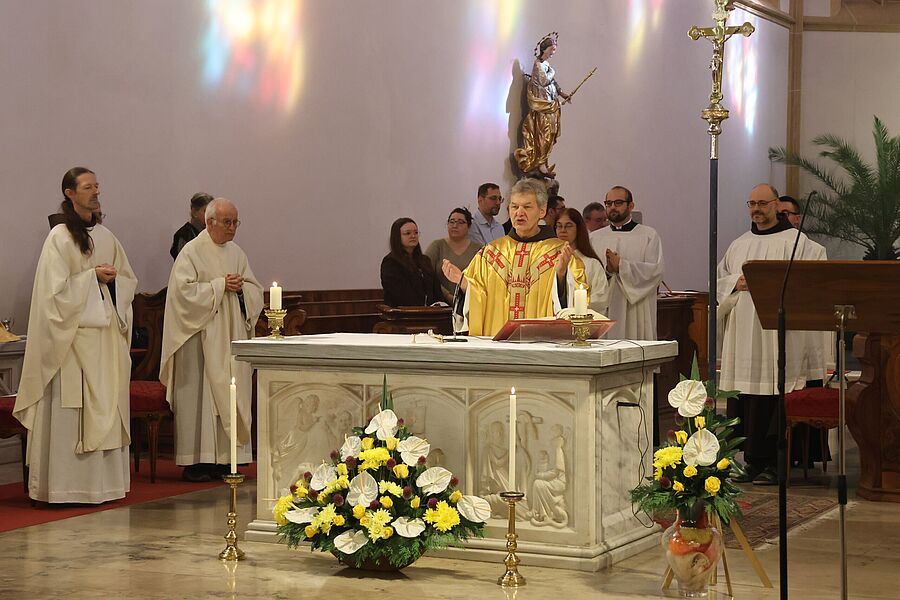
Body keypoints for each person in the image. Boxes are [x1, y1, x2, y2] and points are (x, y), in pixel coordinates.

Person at [14, 167, 137, 503]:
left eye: (97, 185)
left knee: (107, 407)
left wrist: (114, 283)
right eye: (87, 187)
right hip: (72, 342)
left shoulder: (108, 236)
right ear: (69, 193)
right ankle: (66, 487)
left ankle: (103, 486)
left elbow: (128, 281)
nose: (95, 191)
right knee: (72, 410)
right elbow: (52, 295)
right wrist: (91, 278)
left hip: (104, 340)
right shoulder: (59, 238)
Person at [717, 184, 825, 484]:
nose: (756, 209)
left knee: (776, 394)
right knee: (750, 397)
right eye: (751, 203)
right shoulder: (738, 244)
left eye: (762, 203)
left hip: (780, 334)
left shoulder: (798, 243)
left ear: (777, 205)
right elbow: (720, 279)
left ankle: (778, 463)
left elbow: (814, 282)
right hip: (745, 331)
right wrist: (733, 284)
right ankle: (753, 461)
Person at [160, 198, 264, 482]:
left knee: (231, 394)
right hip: (200, 340)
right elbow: (181, 294)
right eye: (227, 222)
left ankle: (228, 458)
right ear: (209, 223)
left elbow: (255, 289)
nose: (233, 228)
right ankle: (198, 462)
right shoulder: (192, 252)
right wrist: (220, 286)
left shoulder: (237, 253)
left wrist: (242, 291)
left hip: (230, 337)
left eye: (235, 222)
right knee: (201, 398)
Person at [442, 178, 588, 336]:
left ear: (542, 210)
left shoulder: (559, 252)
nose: (519, 213)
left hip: (541, 348)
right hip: (499, 347)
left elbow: (576, 302)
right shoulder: (490, 253)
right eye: (514, 206)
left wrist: (561, 276)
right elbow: (478, 295)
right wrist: (464, 283)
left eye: (527, 207)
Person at [589, 186, 663, 340]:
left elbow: (655, 271)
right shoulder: (595, 238)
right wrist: (609, 271)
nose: (612, 207)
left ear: (631, 206)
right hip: (606, 308)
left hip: (636, 309)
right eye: (608, 204)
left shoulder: (648, 235)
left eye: (618, 203)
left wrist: (621, 266)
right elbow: (588, 273)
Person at [514, 32, 569, 176]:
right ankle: (540, 163)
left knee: (550, 134)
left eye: (554, 50)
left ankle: (543, 162)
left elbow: (553, 82)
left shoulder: (546, 65)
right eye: (552, 50)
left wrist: (562, 93)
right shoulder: (538, 65)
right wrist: (552, 71)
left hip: (550, 104)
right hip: (542, 106)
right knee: (544, 134)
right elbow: (545, 81)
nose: (553, 53)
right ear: (544, 49)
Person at [555, 208, 609, 315]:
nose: (563, 230)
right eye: (559, 225)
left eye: (568, 225)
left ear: (578, 229)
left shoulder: (592, 264)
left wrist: (575, 308)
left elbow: (601, 297)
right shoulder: (547, 261)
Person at [380, 218, 443, 307]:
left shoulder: (425, 260)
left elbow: (436, 288)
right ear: (397, 237)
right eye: (408, 233)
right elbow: (398, 293)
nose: (413, 236)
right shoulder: (390, 262)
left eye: (416, 233)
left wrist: (439, 304)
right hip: (403, 315)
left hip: (429, 314)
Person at [425, 208, 483, 303]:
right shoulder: (437, 246)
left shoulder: (479, 249)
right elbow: (426, 274)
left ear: (469, 226)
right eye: (451, 222)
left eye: (460, 222)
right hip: (440, 305)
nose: (455, 225)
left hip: (470, 304)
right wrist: (447, 295)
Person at [170, 192, 213, 260]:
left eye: (212, 211)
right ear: (194, 212)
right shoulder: (184, 235)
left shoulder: (212, 233)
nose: (210, 215)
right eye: (206, 211)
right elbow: (183, 263)